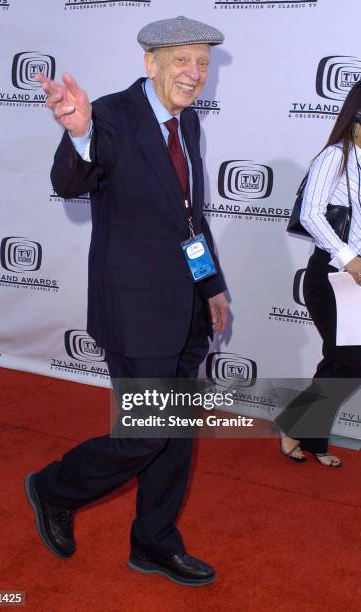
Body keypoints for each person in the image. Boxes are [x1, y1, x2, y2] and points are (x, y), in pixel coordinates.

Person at [24, 16, 228, 586]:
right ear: (151, 62)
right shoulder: (110, 115)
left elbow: (191, 219)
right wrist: (79, 134)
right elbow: (71, 182)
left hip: (185, 308)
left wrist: (210, 285)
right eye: (182, 60)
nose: (194, 73)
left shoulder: (187, 125)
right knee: (145, 433)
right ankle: (54, 486)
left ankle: (154, 542)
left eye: (202, 63)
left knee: (176, 432)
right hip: (135, 311)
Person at [276, 80, 361, 467]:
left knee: (342, 361)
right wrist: (348, 257)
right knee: (347, 359)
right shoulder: (335, 156)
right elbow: (311, 213)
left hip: (356, 280)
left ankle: (307, 434)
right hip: (332, 277)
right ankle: (296, 428)